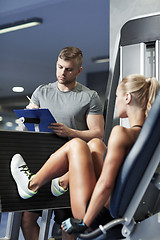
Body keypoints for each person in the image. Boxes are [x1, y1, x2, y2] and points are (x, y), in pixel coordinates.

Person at [10, 74, 159, 238]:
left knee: (76, 145)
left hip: (97, 214)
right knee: (94, 143)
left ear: (128, 98)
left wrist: (84, 222)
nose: (116, 101)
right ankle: (61, 182)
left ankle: (31, 184)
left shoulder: (121, 133)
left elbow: (106, 184)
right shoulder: (148, 138)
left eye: (117, 96)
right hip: (121, 207)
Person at [21, 46, 104, 240]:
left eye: (68, 69)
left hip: (72, 167)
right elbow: (27, 130)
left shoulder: (89, 96)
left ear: (79, 71)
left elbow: (98, 134)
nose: (62, 73)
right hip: (44, 162)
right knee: (27, 219)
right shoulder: (41, 92)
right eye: (59, 67)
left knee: (66, 225)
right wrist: (27, 118)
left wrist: (70, 132)